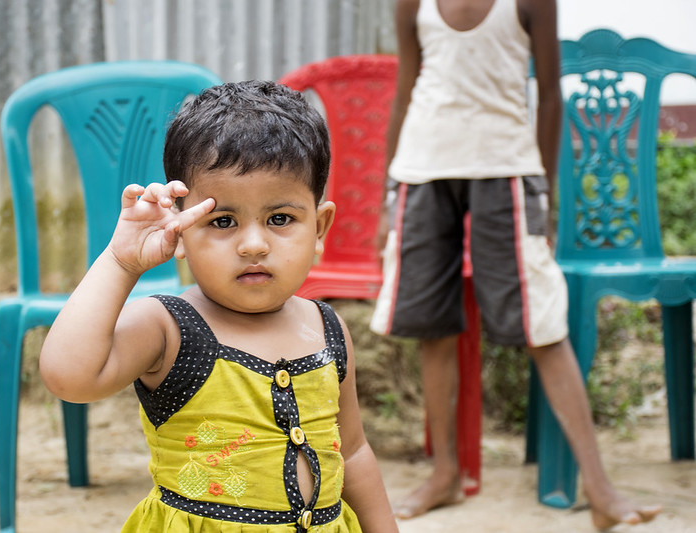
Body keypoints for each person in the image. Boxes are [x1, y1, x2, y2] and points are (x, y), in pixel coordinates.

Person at [39, 80, 399, 533]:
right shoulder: (168, 328)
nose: (253, 244)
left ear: (320, 226)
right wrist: (120, 262)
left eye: (280, 219)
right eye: (222, 221)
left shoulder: (326, 329)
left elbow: (352, 452)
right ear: (182, 230)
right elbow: (67, 375)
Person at [369, 0, 663, 529]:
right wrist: (389, 196)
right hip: (421, 169)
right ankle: (445, 474)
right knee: (431, 326)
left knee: (542, 324)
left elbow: (551, 98)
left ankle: (599, 488)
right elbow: (406, 90)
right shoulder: (411, 3)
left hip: (505, 168)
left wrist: (544, 196)